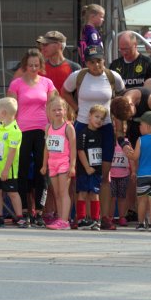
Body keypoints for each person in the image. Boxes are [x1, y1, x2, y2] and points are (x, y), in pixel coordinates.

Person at [62, 46, 126, 230]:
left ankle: (103, 217)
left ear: (104, 60)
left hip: (105, 128)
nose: (96, 65)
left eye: (99, 61)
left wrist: (120, 127)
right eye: (91, 62)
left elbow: (121, 100)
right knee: (81, 173)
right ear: (86, 62)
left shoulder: (113, 77)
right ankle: (81, 217)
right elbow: (64, 91)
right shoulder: (78, 76)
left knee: (104, 174)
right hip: (83, 125)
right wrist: (76, 108)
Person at [7, 48, 58, 227]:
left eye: (37, 65)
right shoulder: (16, 84)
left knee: (42, 171)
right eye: (30, 65)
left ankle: (40, 212)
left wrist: (54, 128)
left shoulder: (47, 83)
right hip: (22, 131)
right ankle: (24, 212)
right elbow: (11, 109)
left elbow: (54, 106)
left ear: (41, 65)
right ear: (25, 66)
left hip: (43, 130)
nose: (34, 68)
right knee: (21, 171)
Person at [124, 111, 151, 230]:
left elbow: (135, 157)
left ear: (148, 126)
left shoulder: (141, 140)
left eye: (141, 124)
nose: (139, 127)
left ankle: (141, 223)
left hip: (143, 175)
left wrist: (129, 154)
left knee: (142, 201)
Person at [0, 97, 26, 228]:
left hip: (8, 170)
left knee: (12, 193)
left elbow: (12, 152)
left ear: (3, 113)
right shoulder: (0, 128)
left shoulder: (15, 131)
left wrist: (6, 170)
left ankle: (20, 217)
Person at [40, 96, 75, 230]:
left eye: (59, 109)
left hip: (64, 163)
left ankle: (65, 220)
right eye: (54, 110)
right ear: (49, 112)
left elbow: (73, 148)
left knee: (63, 192)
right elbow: (46, 147)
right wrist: (44, 165)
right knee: (57, 193)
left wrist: (72, 166)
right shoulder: (48, 127)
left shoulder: (68, 128)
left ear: (65, 110)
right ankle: (60, 218)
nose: (57, 112)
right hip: (52, 164)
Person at [75, 104, 109, 230]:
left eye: (102, 118)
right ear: (90, 116)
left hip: (96, 171)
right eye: (96, 116)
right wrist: (87, 167)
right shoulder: (83, 133)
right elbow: (80, 151)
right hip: (84, 170)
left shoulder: (101, 134)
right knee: (83, 193)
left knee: (95, 193)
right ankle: (81, 219)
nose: (99, 120)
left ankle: (95, 220)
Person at [36, 31, 80, 95]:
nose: (42, 47)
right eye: (42, 45)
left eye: (46, 44)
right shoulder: (39, 68)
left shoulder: (74, 68)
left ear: (58, 45)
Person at [108, 118, 133, 229]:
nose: (117, 128)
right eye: (114, 126)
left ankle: (122, 216)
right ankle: (110, 217)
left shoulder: (127, 142)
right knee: (111, 197)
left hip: (124, 175)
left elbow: (131, 157)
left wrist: (134, 170)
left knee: (122, 197)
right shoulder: (109, 141)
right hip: (111, 175)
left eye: (122, 126)